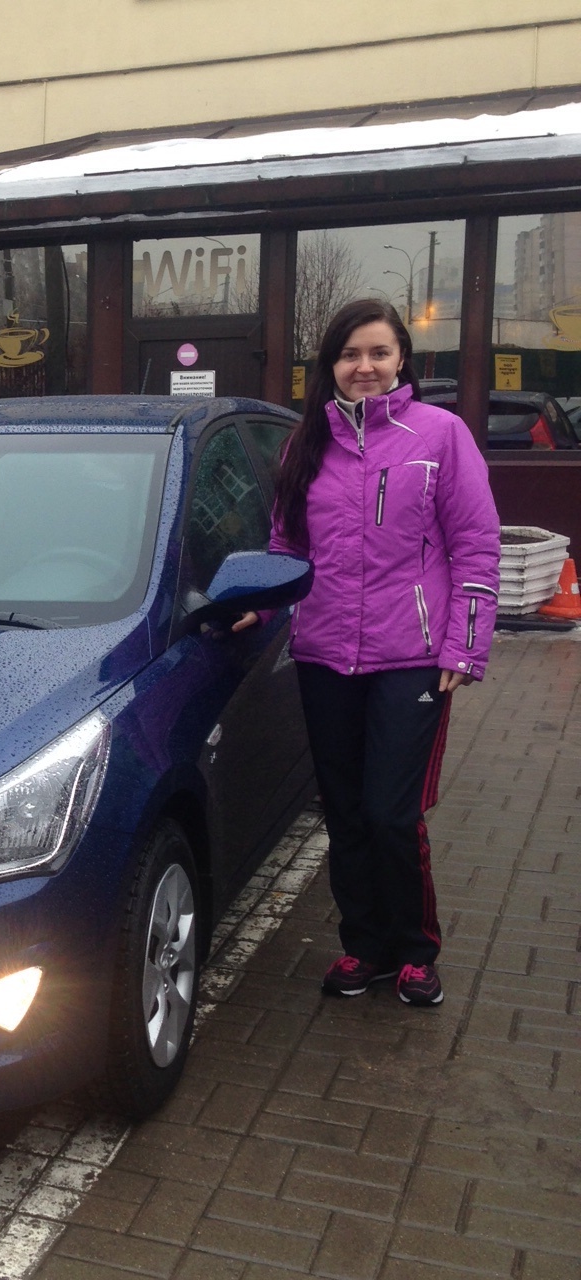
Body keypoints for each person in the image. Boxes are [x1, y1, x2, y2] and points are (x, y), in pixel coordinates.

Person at [236, 298, 500, 1007]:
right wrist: (263, 603)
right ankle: (365, 947)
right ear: (331, 364)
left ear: (401, 359)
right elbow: (287, 547)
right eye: (350, 354)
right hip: (325, 655)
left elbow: (477, 546)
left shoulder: (441, 435)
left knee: (391, 813)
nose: (365, 367)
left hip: (412, 655)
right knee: (346, 812)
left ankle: (415, 950)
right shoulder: (306, 444)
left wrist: (465, 645)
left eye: (379, 353)